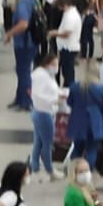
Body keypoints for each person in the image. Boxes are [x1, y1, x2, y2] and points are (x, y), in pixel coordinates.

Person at [29, 52, 65, 182]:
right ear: (47, 63)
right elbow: (38, 95)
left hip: (44, 112)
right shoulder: (41, 76)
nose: (56, 67)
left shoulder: (46, 76)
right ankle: (49, 169)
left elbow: (52, 90)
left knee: (39, 141)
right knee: (47, 143)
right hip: (44, 112)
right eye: (54, 64)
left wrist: (62, 93)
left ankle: (35, 167)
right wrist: (55, 100)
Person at [5, 0, 41, 111]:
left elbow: (23, 24)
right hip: (31, 42)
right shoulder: (33, 0)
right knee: (21, 71)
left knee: (24, 72)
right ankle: (20, 98)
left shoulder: (23, 4)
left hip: (24, 43)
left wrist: (10, 33)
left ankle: (26, 101)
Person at [67, 77, 103, 173]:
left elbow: (69, 102)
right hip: (95, 122)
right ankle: (87, 172)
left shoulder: (74, 86)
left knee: (77, 148)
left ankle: (73, 171)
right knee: (91, 150)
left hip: (78, 121)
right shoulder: (101, 88)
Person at [53, 0, 82, 90]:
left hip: (68, 47)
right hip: (66, 47)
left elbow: (67, 33)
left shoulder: (71, 16)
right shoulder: (69, 13)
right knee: (66, 71)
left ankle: (69, 91)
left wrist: (55, 33)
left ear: (64, 5)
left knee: (68, 73)